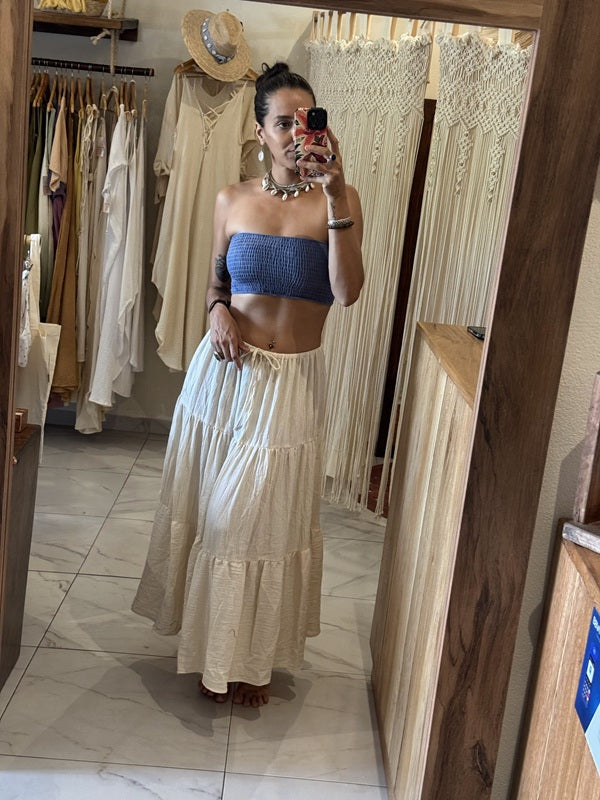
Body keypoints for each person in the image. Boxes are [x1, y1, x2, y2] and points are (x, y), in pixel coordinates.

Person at [132, 62, 364, 708]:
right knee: (216, 518)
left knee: (258, 527)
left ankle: (252, 657)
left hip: (291, 389)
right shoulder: (231, 200)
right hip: (225, 379)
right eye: (282, 122)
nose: (295, 134)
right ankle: (218, 655)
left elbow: (347, 293)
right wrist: (216, 313)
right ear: (260, 132)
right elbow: (217, 286)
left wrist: (336, 196)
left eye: (306, 121)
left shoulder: (340, 201)